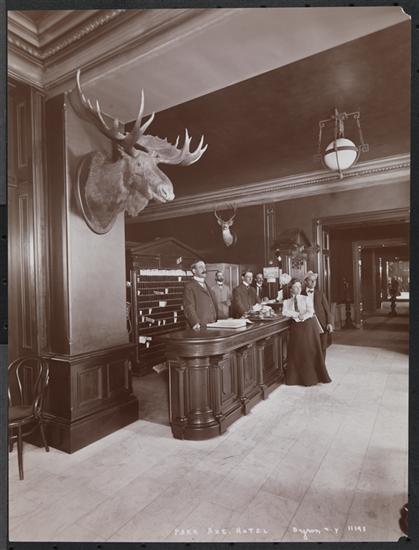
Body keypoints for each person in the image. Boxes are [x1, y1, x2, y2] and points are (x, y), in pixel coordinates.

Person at [282, 278, 331, 386]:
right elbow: (285, 312)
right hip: (296, 328)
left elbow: (310, 311)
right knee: (296, 352)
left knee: (308, 351)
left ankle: (310, 378)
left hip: (308, 326)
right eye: (295, 287)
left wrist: (302, 316)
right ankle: (295, 378)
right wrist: (296, 314)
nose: (298, 289)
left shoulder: (306, 298)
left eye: (299, 287)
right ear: (290, 289)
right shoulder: (286, 302)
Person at [302, 271, 333, 359]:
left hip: (321, 323)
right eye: (310, 280)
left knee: (322, 346)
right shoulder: (301, 294)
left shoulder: (320, 293)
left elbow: (327, 310)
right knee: (310, 347)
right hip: (307, 324)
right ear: (305, 282)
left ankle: (322, 365)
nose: (313, 282)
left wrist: (329, 323)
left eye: (314, 280)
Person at [183, 260, 217, 330]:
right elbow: (188, 306)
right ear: (194, 271)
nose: (204, 270)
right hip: (199, 327)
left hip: (212, 325)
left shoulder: (208, 286)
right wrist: (195, 323)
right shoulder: (189, 286)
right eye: (201, 267)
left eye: (205, 267)